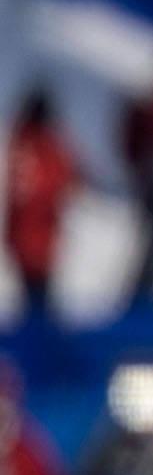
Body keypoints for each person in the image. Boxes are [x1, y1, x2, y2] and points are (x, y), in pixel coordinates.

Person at [6, 84, 78, 307]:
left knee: (32, 296)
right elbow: (69, 176)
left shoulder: (19, 140)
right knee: (39, 301)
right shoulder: (45, 146)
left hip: (19, 232)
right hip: (40, 234)